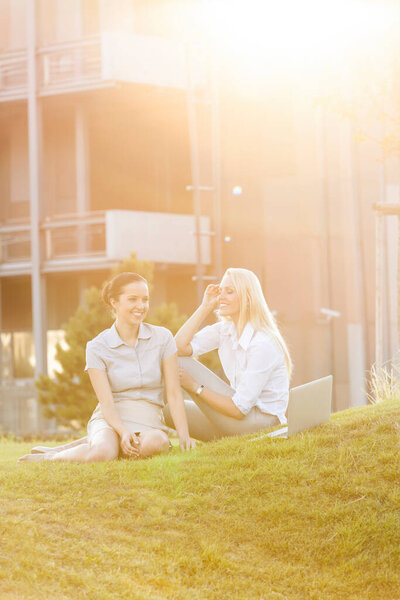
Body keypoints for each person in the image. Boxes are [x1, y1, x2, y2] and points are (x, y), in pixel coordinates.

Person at [19, 272, 194, 463]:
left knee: (156, 444)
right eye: (132, 299)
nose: (141, 306)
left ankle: (100, 443)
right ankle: (51, 458)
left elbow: (174, 394)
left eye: (145, 299)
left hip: (149, 421)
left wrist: (184, 436)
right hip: (110, 419)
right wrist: (123, 430)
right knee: (102, 454)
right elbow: (107, 403)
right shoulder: (97, 347)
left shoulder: (163, 338)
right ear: (114, 302)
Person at [163, 268, 292, 441]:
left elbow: (238, 410)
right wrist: (205, 307)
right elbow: (177, 348)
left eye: (229, 292)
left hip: (262, 424)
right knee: (168, 410)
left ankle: (232, 437)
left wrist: (194, 386)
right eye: (220, 291)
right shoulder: (225, 330)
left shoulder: (262, 343)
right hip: (238, 417)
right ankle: (229, 438)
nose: (221, 297)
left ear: (247, 298)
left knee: (180, 363)